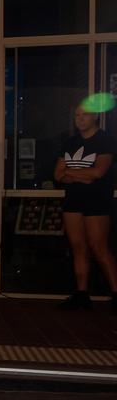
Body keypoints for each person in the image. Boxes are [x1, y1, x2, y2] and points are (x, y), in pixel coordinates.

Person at [54, 103, 117, 311]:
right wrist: (82, 175)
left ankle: (115, 293)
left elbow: (98, 173)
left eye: (84, 115)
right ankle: (82, 294)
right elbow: (58, 175)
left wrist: (71, 174)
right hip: (73, 201)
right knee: (78, 248)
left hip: (97, 201)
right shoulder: (70, 142)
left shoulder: (105, 140)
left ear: (95, 117)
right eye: (77, 115)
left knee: (99, 248)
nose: (79, 119)